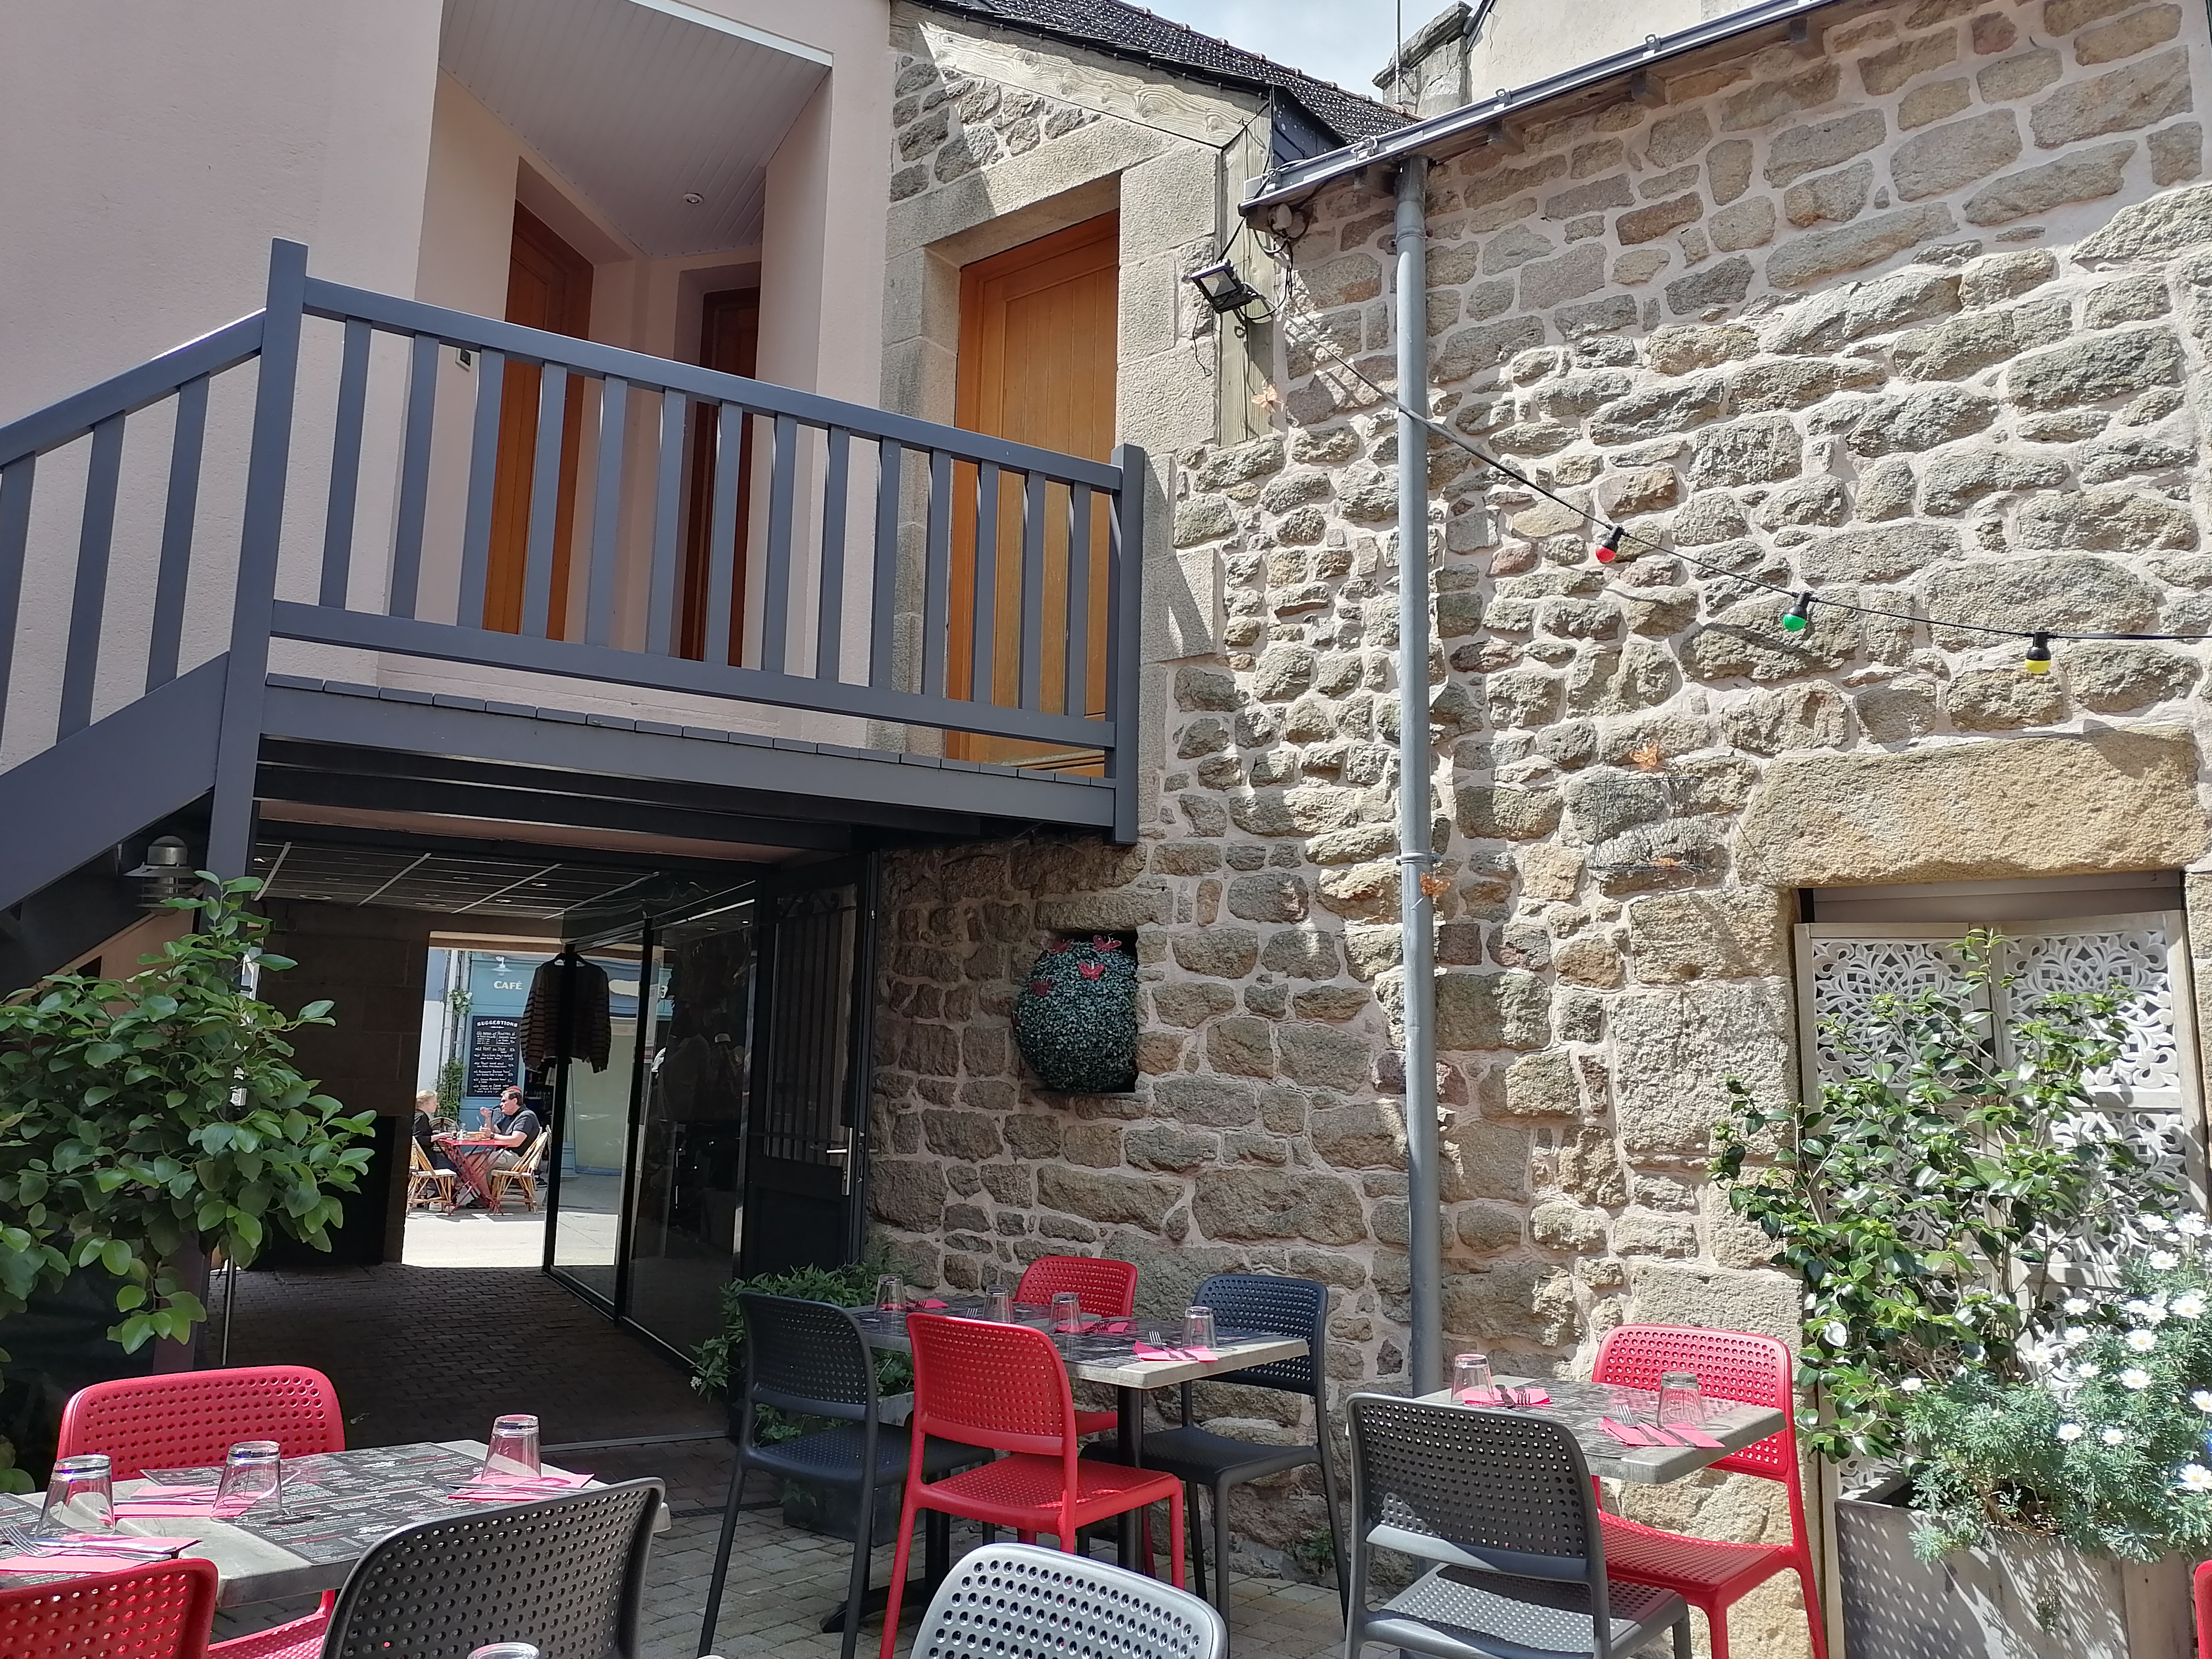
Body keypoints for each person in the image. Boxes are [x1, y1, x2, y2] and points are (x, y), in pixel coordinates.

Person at [488, 1086, 542, 1173]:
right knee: (469, 1157)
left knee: (477, 1161)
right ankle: (481, 1182)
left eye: (504, 1101)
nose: (501, 1104)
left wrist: (492, 1136)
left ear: (514, 1101)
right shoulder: (510, 1117)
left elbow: (516, 1142)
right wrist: (487, 1117)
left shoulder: (526, 1116)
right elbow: (494, 1131)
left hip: (518, 1158)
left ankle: (481, 1182)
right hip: (505, 1153)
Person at [411, 1089, 455, 1175]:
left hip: (418, 1159)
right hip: (425, 1159)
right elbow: (418, 1139)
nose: (437, 1104)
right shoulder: (421, 1117)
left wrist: (435, 1134)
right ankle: (442, 1185)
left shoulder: (416, 1114)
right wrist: (438, 1137)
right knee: (451, 1167)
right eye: (435, 1102)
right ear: (426, 1104)